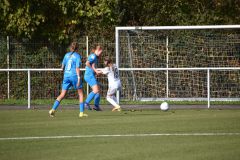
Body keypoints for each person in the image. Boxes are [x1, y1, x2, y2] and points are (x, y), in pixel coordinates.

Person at [49, 42, 87, 118]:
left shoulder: (66, 55)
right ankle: (81, 113)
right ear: (77, 48)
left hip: (66, 76)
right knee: (81, 94)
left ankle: (52, 110)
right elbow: (77, 68)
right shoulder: (77, 56)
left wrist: (64, 70)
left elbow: (62, 67)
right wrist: (79, 77)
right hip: (74, 76)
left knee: (62, 94)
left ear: (70, 47)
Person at [84, 45, 103, 111]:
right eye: (101, 52)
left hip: (91, 75)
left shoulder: (95, 57)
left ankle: (96, 106)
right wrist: (95, 71)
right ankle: (86, 103)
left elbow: (92, 66)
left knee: (98, 90)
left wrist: (96, 72)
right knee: (96, 90)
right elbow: (87, 63)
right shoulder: (93, 56)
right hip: (89, 76)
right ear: (97, 50)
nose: (101, 54)